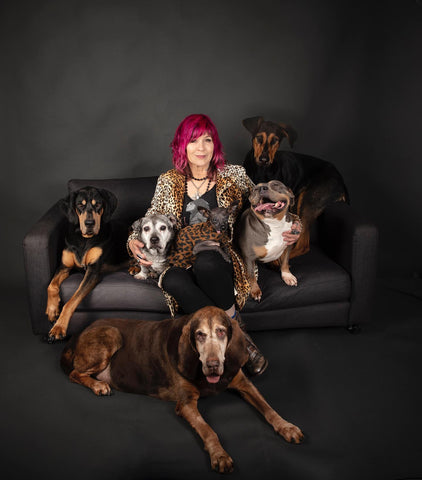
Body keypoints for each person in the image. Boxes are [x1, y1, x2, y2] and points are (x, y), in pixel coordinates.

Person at [127, 114, 300, 376]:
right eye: (193, 140)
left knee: (206, 261)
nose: (201, 147)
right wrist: (131, 240)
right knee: (171, 279)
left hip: (218, 256)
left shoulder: (234, 175)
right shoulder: (168, 181)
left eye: (207, 140)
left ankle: (238, 344)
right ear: (182, 146)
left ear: (215, 145)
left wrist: (295, 225)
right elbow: (150, 214)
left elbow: (265, 199)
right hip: (181, 258)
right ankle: (240, 340)